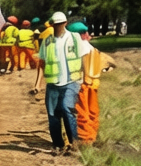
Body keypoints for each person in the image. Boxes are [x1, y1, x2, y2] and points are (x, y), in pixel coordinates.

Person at [34, 11, 90, 154]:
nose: (57, 27)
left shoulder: (75, 38)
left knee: (67, 108)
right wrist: (38, 83)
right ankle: (58, 144)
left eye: (60, 24)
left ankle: (74, 143)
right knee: (53, 115)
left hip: (72, 81)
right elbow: (42, 63)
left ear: (65, 23)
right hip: (53, 83)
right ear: (52, 25)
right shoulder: (47, 42)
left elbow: (85, 58)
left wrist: (87, 77)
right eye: (55, 24)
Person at [70, 21, 115, 145]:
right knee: (92, 111)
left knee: (82, 112)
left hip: (82, 85)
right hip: (94, 84)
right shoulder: (91, 47)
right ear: (84, 33)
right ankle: (92, 135)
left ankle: (85, 139)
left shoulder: (78, 46)